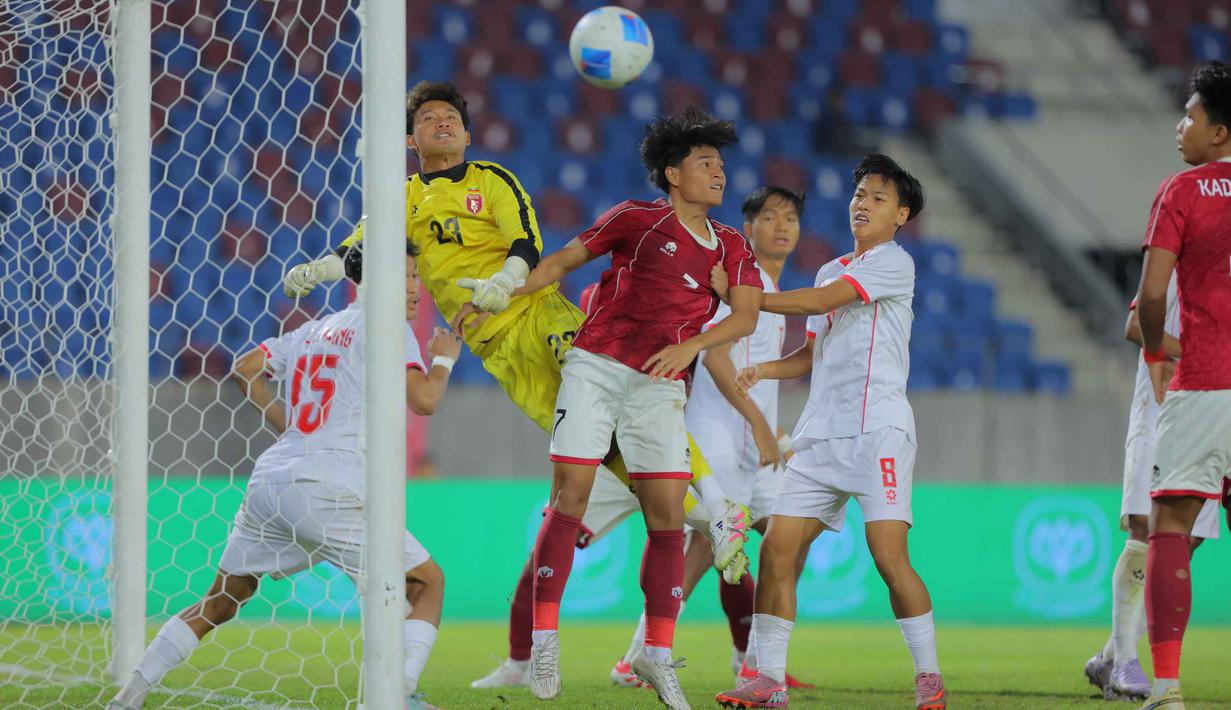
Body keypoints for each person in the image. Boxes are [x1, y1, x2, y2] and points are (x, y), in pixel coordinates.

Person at [282, 80, 749, 582]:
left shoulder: (491, 181)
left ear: (466, 135)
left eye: (453, 118)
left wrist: (503, 283)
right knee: (602, 449)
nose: (443, 123)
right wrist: (316, 271)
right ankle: (711, 519)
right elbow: (357, 250)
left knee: (634, 398)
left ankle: (718, 501)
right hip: (496, 349)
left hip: (538, 315)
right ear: (410, 141)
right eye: (428, 118)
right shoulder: (404, 199)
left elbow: (527, 241)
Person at [465, 106, 764, 710]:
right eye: (706, 162)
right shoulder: (635, 219)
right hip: (597, 369)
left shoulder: (731, 244)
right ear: (673, 174)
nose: (720, 173)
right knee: (569, 498)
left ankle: (656, 652)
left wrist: (692, 345)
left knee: (667, 523)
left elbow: (748, 312)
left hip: (658, 389)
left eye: (722, 164)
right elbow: (563, 262)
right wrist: (506, 288)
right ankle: (544, 643)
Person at [107, 243, 459, 710]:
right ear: (370, 279)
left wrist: (286, 424)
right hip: (327, 486)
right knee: (425, 583)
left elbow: (244, 368)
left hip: (271, 482)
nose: (415, 287)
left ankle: (128, 697)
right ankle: (401, 696)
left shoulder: (311, 330)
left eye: (418, 275)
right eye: (406, 275)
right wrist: (445, 358)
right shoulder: (388, 327)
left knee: (220, 603)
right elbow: (425, 401)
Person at [714, 154, 946, 710]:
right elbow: (814, 353)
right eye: (859, 194)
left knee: (889, 558)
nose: (863, 203)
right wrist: (767, 369)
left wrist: (745, 300)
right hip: (821, 437)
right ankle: (768, 681)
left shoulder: (894, 264)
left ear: (901, 215)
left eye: (879, 197)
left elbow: (820, 302)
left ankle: (930, 680)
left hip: (879, 432)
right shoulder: (830, 267)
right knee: (777, 548)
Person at [608, 186, 813, 689]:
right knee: (726, 548)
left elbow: (749, 372)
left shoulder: (764, 288)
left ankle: (747, 661)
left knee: (782, 538)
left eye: (790, 217)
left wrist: (773, 429)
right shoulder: (743, 282)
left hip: (751, 447)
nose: (782, 225)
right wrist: (763, 427)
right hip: (721, 441)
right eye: (769, 216)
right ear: (749, 227)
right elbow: (717, 357)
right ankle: (736, 661)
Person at [1135, 61, 1231, 710]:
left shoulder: (1182, 191)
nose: (1180, 126)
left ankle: (1165, 688)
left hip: (1206, 377)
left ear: (1219, 132)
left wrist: (1153, 355)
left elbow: (1149, 296)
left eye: (1190, 116)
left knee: (1169, 520)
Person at [1083, 275, 1221, 702]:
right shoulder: (1185, 259)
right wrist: (1198, 352)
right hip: (1161, 411)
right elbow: (1134, 326)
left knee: (1185, 542)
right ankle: (1125, 663)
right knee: (1146, 529)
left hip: (1211, 414)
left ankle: (1108, 656)